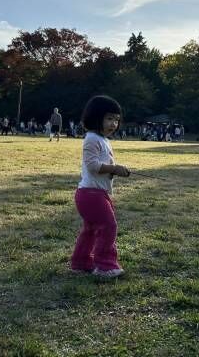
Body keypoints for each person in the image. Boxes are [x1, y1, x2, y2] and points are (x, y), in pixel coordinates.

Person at [70, 95, 130, 278]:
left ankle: (81, 262)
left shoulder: (103, 140)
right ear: (96, 117)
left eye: (117, 120)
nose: (114, 124)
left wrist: (115, 171)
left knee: (91, 229)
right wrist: (114, 168)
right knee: (108, 226)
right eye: (109, 118)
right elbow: (93, 166)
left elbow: (100, 169)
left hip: (97, 193)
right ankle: (105, 266)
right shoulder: (91, 138)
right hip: (90, 195)